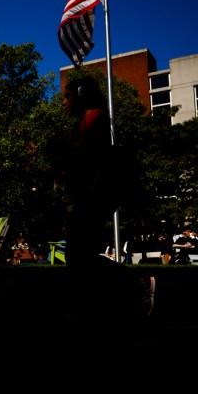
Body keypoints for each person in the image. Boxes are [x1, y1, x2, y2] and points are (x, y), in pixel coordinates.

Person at [55, 76, 154, 316]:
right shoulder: (83, 121)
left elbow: (87, 157)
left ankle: (137, 284)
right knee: (80, 256)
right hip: (91, 195)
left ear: (82, 94)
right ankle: (110, 299)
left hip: (96, 194)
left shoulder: (94, 117)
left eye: (68, 96)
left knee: (79, 257)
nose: (64, 102)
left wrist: (65, 154)